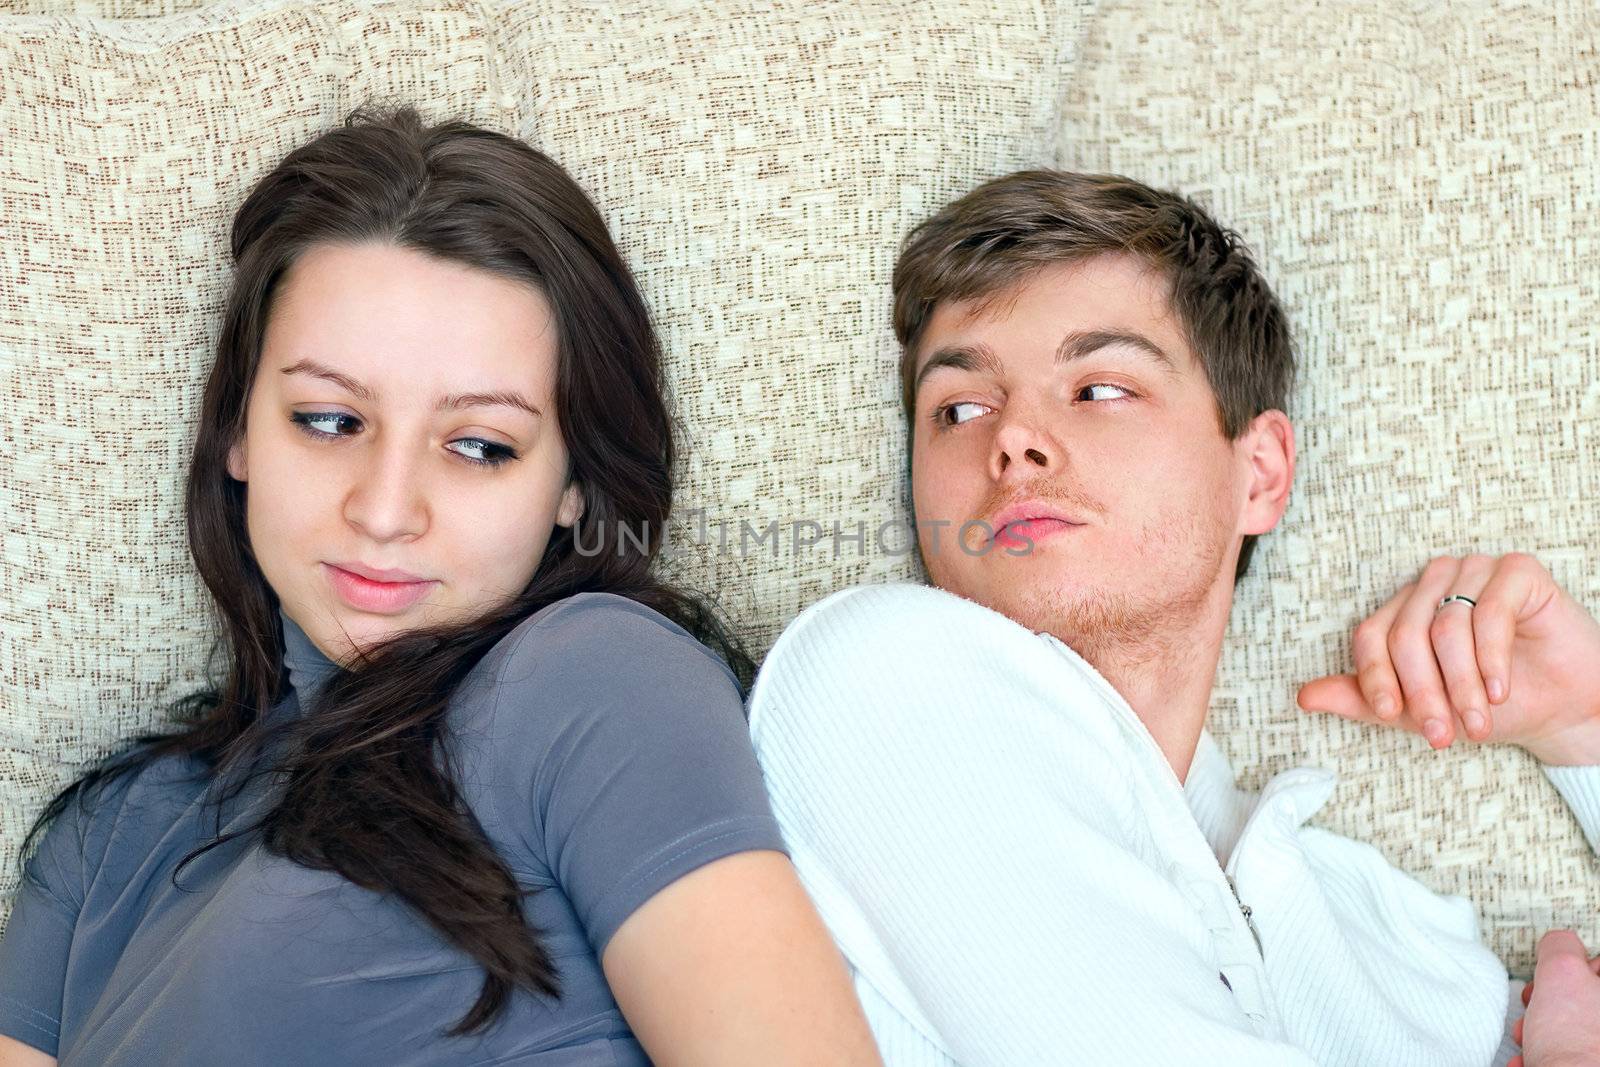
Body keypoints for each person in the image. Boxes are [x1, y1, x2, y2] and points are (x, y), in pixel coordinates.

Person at [0, 105, 881, 1067]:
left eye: (478, 445)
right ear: (238, 431)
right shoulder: (111, 830)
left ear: (572, 487)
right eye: (331, 420)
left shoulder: (592, 678)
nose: (384, 511)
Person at [746, 169, 1600, 1066]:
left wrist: (1585, 721)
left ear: (1261, 472)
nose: (1012, 438)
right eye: (958, 408)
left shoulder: (1396, 941)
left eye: (1100, 389)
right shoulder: (878, 684)